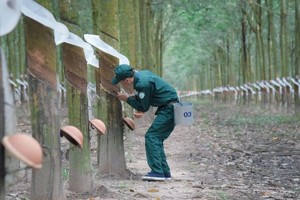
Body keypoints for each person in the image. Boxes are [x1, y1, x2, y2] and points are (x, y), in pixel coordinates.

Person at [112, 64, 179, 181]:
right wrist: (133, 98)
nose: (121, 84)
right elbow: (145, 97)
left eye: (121, 81)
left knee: (152, 136)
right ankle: (164, 172)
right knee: (156, 138)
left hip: (169, 109)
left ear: (127, 80)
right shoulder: (142, 75)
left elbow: (144, 107)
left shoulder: (142, 84)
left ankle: (157, 172)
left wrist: (126, 99)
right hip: (170, 107)